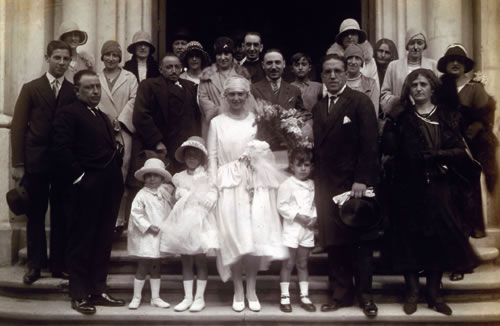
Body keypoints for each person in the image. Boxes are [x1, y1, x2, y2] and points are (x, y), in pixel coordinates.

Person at [384, 68, 480, 316]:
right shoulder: (403, 118)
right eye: (414, 85)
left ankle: (434, 294)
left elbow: (459, 150)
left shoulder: (446, 116)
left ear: (432, 88)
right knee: (408, 239)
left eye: (423, 84)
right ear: (409, 89)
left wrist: (437, 156)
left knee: (437, 239)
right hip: (409, 187)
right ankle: (412, 293)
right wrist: (391, 123)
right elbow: (392, 151)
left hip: (440, 187)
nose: (418, 89)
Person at [207, 76, 288, 312]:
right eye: (231, 94)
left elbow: (267, 154)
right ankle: (237, 289)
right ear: (225, 96)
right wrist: (214, 186)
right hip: (228, 184)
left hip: (255, 183)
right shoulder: (217, 123)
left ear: (247, 96)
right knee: (234, 237)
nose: (236, 98)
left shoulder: (257, 121)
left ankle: (251, 288)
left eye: (240, 94)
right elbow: (212, 157)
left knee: (252, 238)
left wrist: (261, 152)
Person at [51, 70, 125, 315]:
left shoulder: (103, 116)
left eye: (97, 87)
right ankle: (80, 294)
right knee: (82, 240)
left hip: (108, 188)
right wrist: (81, 178)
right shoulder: (68, 114)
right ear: (77, 90)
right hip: (85, 188)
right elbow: (61, 150)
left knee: (103, 240)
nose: (95, 92)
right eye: (89, 88)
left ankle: (97, 290)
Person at [312, 54, 379, 318]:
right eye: (327, 71)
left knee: (359, 244)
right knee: (335, 244)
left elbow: (370, 144)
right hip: (327, 186)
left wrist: (362, 179)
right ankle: (340, 295)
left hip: (354, 186)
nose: (332, 76)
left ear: (346, 72)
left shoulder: (360, 102)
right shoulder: (319, 108)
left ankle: (366, 297)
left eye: (337, 71)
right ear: (322, 75)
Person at [10, 40, 76, 284]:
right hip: (35, 161)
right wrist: (18, 164)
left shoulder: (72, 91)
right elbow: (17, 127)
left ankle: (59, 265)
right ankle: (35, 264)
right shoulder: (31, 88)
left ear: (70, 62)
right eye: (57, 58)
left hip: (63, 163)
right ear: (47, 57)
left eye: (65, 59)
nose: (61, 63)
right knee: (36, 214)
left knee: (62, 213)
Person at [437, 44, 498, 281]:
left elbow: (484, 120)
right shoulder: (440, 88)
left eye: (459, 62)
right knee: (445, 207)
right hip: (444, 152)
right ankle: (446, 258)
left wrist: (470, 136)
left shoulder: (475, 89)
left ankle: (461, 263)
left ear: (465, 67)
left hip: (466, 156)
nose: (455, 64)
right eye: (451, 61)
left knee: (465, 207)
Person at [160, 136, 219, 312]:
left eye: (195, 155)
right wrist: (176, 193)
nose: (192, 158)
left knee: (200, 259)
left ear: (201, 158)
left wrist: (209, 199)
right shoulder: (179, 177)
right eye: (188, 155)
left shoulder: (207, 176)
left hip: (201, 221)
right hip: (183, 223)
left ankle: (199, 298)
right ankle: (187, 297)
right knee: (186, 260)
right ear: (184, 158)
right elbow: (170, 192)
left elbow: (214, 191)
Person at [133, 53, 201, 174]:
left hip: (184, 147)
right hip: (161, 146)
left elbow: (196, 117)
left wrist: (193, 143)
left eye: (177, 67)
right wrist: (157, 142)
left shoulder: (190, 86)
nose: (174, 71)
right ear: (161, 69)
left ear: (181, 68)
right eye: (169, 67)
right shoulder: (148, 86)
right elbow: (141, 116)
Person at [97, 40, 138, 235]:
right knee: (103, 171)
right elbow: (93, 102)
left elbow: (134, 100)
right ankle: (103, 217)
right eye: (108, 55)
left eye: (115, 55)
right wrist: (105, 122)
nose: (111, 59)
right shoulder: (96, 78)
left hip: (123, 130)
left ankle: (119, 219)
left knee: (121, 172)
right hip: (100, 131)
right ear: (102, 57)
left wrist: (120, 120)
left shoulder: (129, 78)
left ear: (120, 58)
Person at [127, 158, 173, 310]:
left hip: (160, 234)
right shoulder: (142, 195)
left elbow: (170, 211)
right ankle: (137, 296)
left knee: (156, 265)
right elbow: (136, 213)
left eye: (156, 175)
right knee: (143, 264)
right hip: (146, 235)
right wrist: (147, 226)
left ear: (162, 178)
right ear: (144, 178)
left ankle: (155, 297)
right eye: (148, 176)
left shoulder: (165, 194)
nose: (152, 178)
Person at [278, 147, 317, 313]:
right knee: (288, 263)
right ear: (292, 166)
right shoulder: (287, 184)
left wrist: (314, 217)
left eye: (306, 165)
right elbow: (281, 206)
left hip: (307, 229)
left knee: (303, 263)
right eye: (299, 165)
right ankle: (285, 296)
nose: (303, 169)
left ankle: (304, 295)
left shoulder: (312, 185)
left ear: (311, 167)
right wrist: (298, 217)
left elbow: (314, 204)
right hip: (292, 228)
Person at [198, 36, 250, 139]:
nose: (223, 57)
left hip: (238, 123)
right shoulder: (206, 76)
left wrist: (234, 114)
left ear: (232, 56)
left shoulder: (242, 74)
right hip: (214, 125)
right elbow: (203, 99)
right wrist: (220, 112)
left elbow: (248, 97)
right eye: (219, 54)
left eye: (226, 53)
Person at [380, 29, 438, 118]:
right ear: (407, 46)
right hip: (400, 116)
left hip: (428, 115)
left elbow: (438, 93)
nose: (415, 47)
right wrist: (398, 100)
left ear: (424, 46)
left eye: (419, 43)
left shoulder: (433, 65)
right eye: (412, 43)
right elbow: (384, 95)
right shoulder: (393, 66)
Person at [326, 18, 379, 86]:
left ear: (358, 37)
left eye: (353, 33)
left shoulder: (370, 61)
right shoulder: (333, 61)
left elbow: (375, 85)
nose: (350, 37)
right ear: (341, 38)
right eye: (346, 34)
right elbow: (327, 87)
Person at [344, 44, 380, 117]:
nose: (353, 62)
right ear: (345, 61)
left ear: (362, 62)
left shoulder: (371, 84)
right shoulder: (339, 83)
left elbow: (373, 114)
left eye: (357, 58)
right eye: (350, 58)